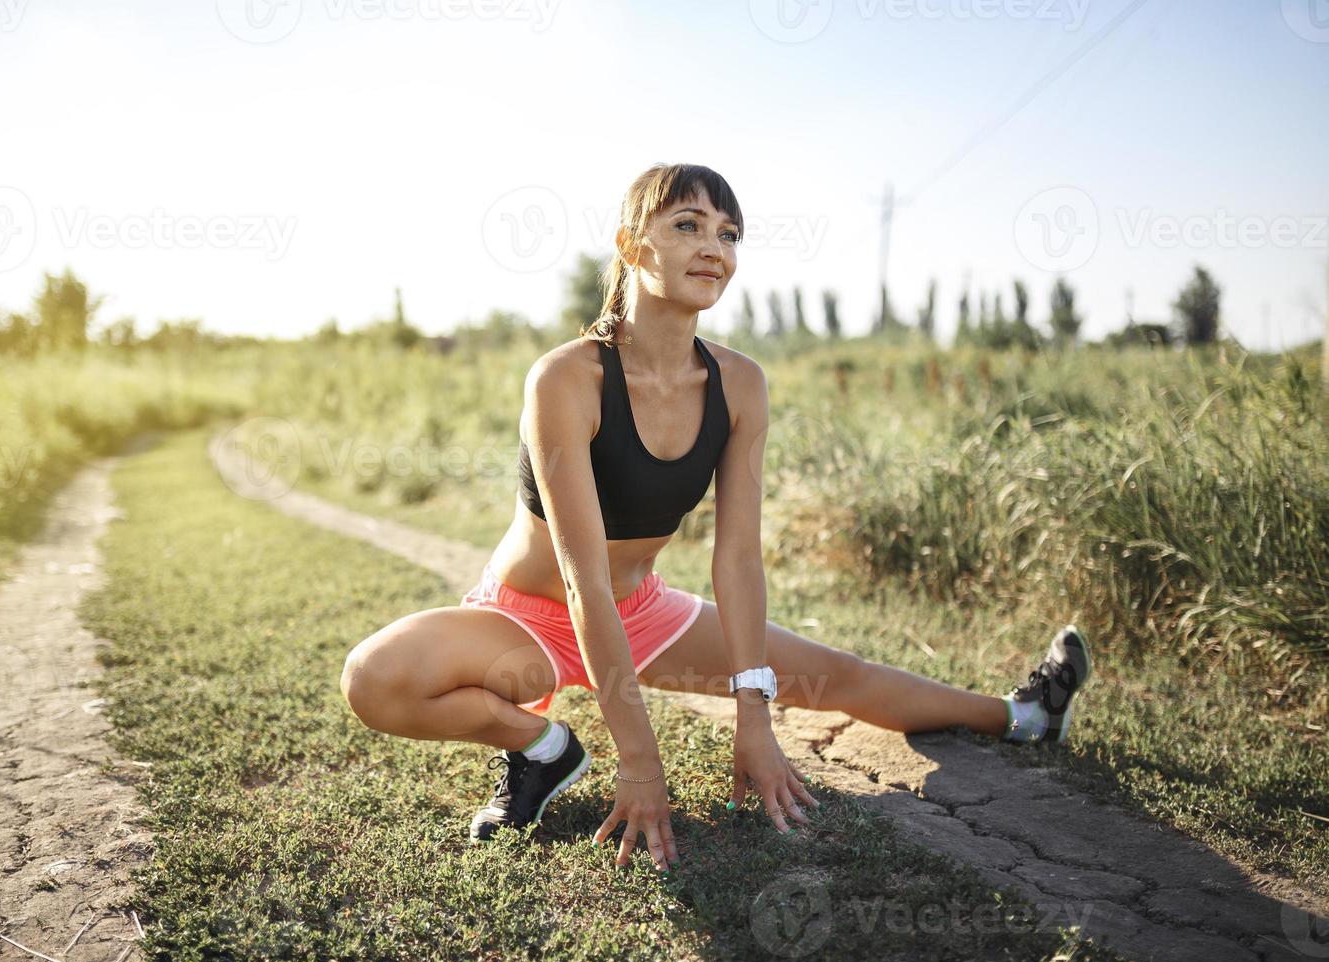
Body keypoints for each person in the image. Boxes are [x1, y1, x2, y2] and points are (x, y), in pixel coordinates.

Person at [339, 163, 1091, 872]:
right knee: (376, 678)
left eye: (729, 234)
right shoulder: (566, 378)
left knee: (838, 678)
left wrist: (753, 714)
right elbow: (581, 580)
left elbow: (736, 561)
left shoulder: (739, 384)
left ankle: (1023, 716)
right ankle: (542, 749)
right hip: (527, 621)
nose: (714, 248)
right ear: (633, 245)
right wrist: (640, 759)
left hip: (643, 611)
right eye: (688, 225)